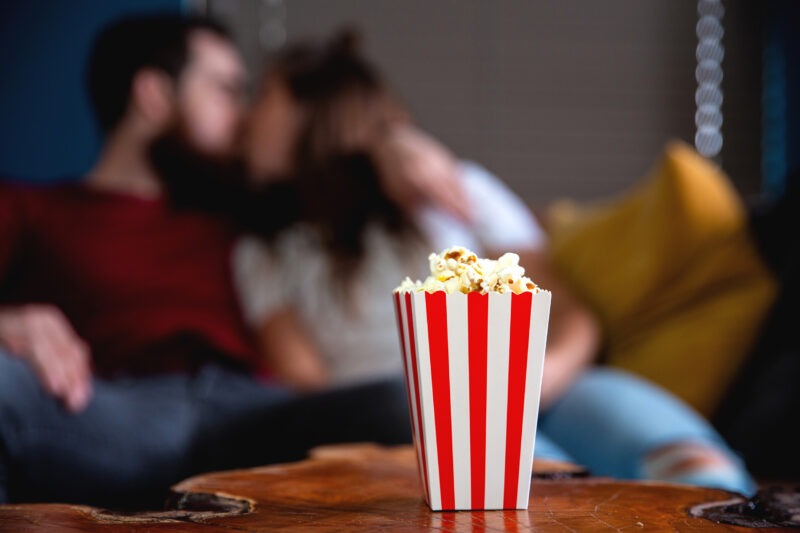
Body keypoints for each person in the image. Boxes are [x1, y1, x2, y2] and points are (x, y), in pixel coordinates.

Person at [234, 30, 756, 494]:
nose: (247, 115)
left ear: (317, 109)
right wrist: (452, 411)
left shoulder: (455, 190)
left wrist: (530, 386)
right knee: (557, 496)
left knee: (705, 475)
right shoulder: (263, 252)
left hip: (550, 387)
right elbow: (311, 386)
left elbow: (571, 316)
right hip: (428, 425)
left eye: (264, 96)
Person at [0, 14, 466, 508]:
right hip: (110, 413)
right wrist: (8, 320)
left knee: (402, 404)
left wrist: (393, 142)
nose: (245, 115)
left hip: (255, 415)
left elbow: (340, 146)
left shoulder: (254, 205)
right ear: (154, 95)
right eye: (227, 90)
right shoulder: (33, 208)